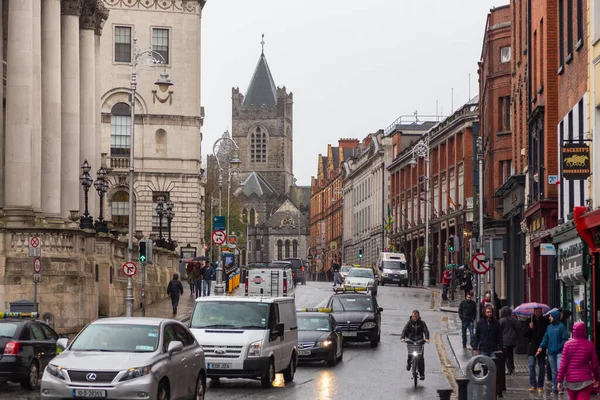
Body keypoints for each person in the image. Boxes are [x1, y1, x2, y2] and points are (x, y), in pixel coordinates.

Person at [557, 321, 600, 399]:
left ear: (573, 331)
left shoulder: (567, 344)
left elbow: (563, 364)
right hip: (585, 381)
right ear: (584, 331)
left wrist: (559, 380)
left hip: (570, 381)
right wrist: (597, 379)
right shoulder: (589, 345)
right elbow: (595, 364)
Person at [537, 309, 569, 394]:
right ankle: (555, 388)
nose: (549, 318)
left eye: (550, 316)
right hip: (551, 352)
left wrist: (559, 347)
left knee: (559, 370)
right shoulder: (549, 327)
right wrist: (541, 347)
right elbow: (545, 338)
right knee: (554, 371)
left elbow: (565, 339)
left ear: (555, 317)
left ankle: (560, 387)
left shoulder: (561, 327)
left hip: (559, 352)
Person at [400, 310, 430, 380]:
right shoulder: (409, 323)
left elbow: (426, 331)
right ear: (412, 316)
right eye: (414, 316)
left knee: (421, 358)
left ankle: (422, 374)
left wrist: (427, 338)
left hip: (419, 342)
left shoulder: (422, 323)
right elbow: (404, 330)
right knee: (410, 354)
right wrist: (402, 338)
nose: (415, 318)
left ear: (418, 316)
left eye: (416, 316)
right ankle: (409, 364)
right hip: (411, 340)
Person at [525, 307, 549, 394]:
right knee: (531, 366)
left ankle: (540, 385)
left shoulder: (545, 321)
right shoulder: (529, 320)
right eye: (536, 312)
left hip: (541, 347)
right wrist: (529, 328)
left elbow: (547, 334)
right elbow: (524, 334)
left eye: (539, 311)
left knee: (541, 367)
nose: (538, 313)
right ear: (534, 312)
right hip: (532, 347)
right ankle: (533, 385)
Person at [499, 306, 521, 375]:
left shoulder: (502, 320)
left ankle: (508, 369)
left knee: (505, 356)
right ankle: (511, 367)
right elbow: (519, 327)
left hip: (504, 340)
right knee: (510, 354)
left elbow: (498, 330)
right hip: (512, 341)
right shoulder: (514, 319)